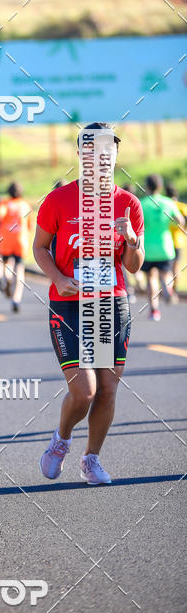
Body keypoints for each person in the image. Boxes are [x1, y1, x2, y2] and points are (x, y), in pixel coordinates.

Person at [33, 122, 144, 486]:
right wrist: (59, 278)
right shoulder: (59, 200)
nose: (101, 159)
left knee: (108, 390)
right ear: (81, 156)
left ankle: (90, 459)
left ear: (115, 156)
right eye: (93, 152)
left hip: (112, 303)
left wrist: (131, 242)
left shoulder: (128, 203)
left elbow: (132, 266)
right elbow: (39, 248)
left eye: (108, 153)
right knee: (84, 391)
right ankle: (61, 439)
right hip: (69, 304)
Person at [139, 175, 184, 320]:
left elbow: (137, 224)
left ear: (147, 186)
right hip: (166, 246)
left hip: (148, 248)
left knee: (151, 278)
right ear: (160, 186)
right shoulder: (168, 202)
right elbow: (180, 221)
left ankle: (154, 311)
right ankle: (168, 288)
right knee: (165, 274)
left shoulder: (142, 203)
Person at [0, 182, 33, 313]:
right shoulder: (25, 205)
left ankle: (7, 280)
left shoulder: (4, 204)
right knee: (20, 269)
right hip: (21, 240)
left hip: (6, 239)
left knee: (6, 265)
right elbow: (30, 226)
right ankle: (16, 298)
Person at [165, 184, 186, 300]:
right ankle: (174, 291)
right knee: (176, 267)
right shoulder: (183, 207)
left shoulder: (165, 206)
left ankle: (168, 290)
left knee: (166, 268)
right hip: (178, 241)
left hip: (166, 242)